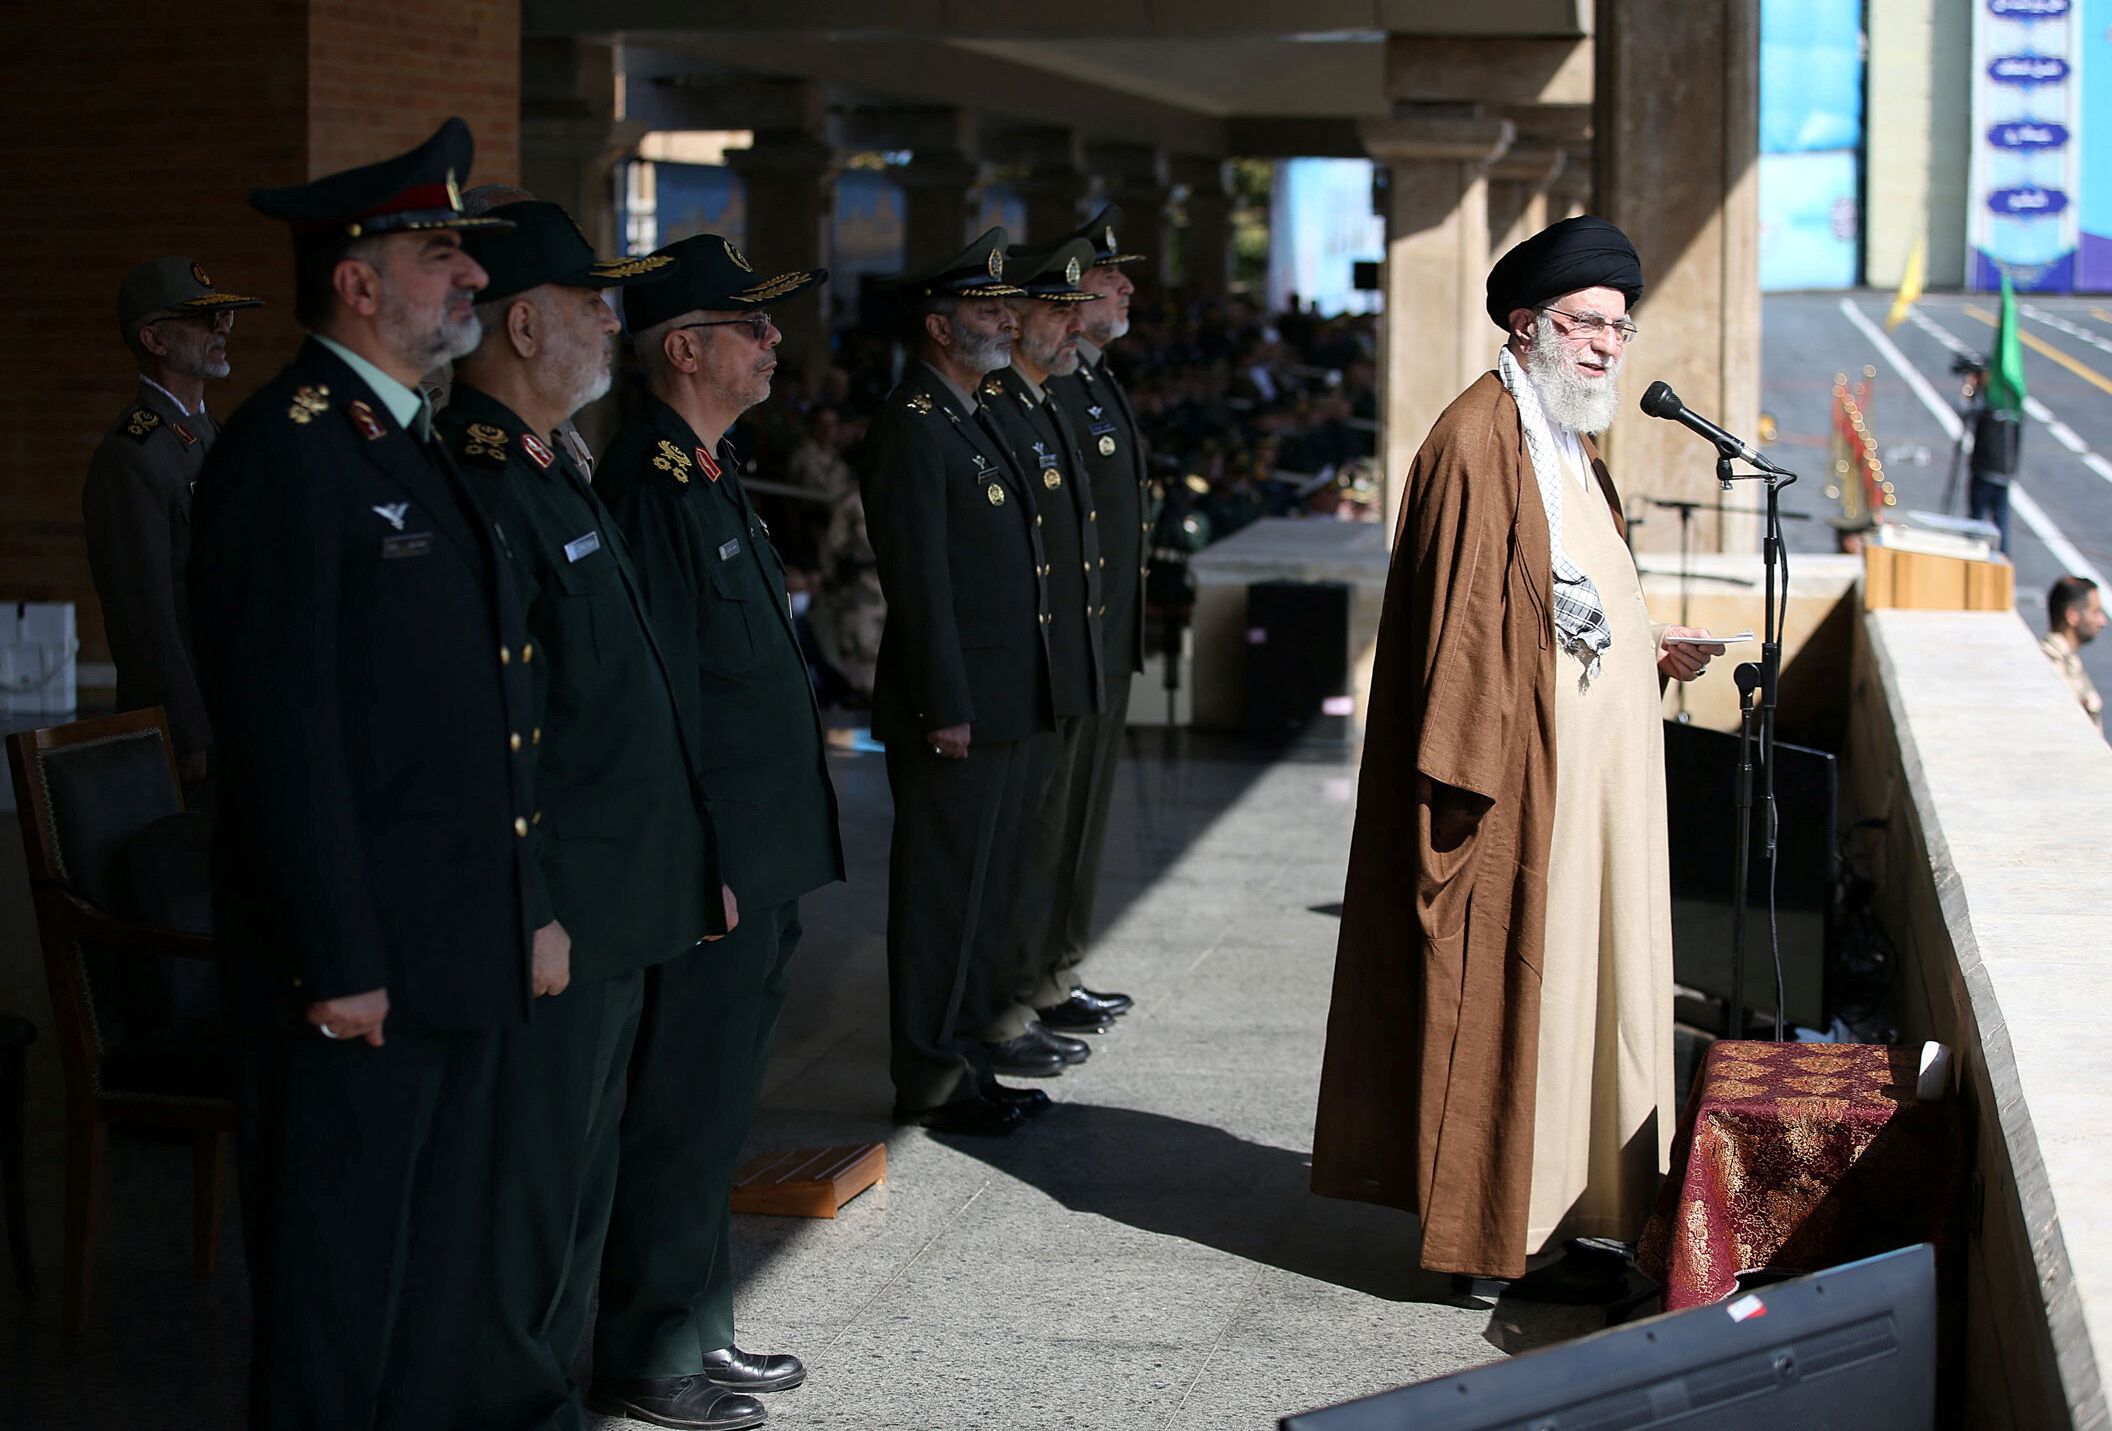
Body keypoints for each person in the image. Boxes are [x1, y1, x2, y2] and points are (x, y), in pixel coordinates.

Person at [187, 117, 533, 1427]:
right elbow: (287, 730)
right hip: (357, 965)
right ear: (357, 279)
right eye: (444, 251)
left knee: (433, 1279)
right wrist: (337, 956)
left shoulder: (406, 436)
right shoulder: (284, 450)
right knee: (338, 1289)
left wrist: (518, 904)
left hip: (448, 941)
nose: (471, 280)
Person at [1309, 215, 1722, 1293]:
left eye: (1619, 329)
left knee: (1593, 1004)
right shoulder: (1477, 441)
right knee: (1516, 1007)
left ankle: (1566, 1214)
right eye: (1585, 325)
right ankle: (1496, 1235)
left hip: (1592, 791)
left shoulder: (1565, 439)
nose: (1605, 348)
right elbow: (1460, 642)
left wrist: (1645, 638)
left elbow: (1562, 594)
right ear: (1527, 324)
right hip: (1520, 795)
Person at [429, 200, 754, 1431]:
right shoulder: (485, 474)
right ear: (522, 323)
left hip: (619, 890)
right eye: (590, 304)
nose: (613, 324)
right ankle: (510, 1403)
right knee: (531, 1183)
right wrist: (541, 903)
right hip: (558, 896)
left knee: (580, 1170)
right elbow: (499, 730)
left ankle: (546, 1385)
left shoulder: (549, 460)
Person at [591, 233, 845, 1429]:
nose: (773, 339)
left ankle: (703, 1324)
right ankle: (650, 1346)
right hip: (716, 858)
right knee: (680, 1108)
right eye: (751, 326)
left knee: (720, 1106)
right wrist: (700, 857)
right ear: (683, 349)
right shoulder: (648, 480)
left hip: (760, 845)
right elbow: (663, 695)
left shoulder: (702, 464)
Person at [858, 228, 1060, 1136]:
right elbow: (919, 576)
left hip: (1006, 698)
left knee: (984, 894)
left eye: (1006, 305)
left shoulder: (967, 411)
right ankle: (932, 1074)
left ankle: (968, 1056)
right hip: (958, 708)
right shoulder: (910, 422)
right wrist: (945, 703)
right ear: (937, 327)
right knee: (944, 898)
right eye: (986, 308)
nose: (1005, 318)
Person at [973, 237, 1109, 1077]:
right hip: (1012, 674)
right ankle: (1000, 1011)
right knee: (1009, 859)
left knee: (1050, 840)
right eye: (1052, 310)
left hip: (1061, 659)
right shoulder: (988, 407)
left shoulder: (1044, 396)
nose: (1070, 325)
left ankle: (1029, 990)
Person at [84, 257, 262, 806]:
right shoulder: (132, 455)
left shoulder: (207, 432)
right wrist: (188, 732)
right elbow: (145, 616)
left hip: (231, 709)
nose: (222, 328)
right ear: (154, 340)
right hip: (188, 734)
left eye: (224, 317)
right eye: (202, 320)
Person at [1037, 206, 1151, 1029]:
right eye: (1113, 279)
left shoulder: (1092, 377)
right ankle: (1031, 980)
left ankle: (1058, 966)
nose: (1128, 289)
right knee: (1048, 828)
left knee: (1080, 826)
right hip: (1070, 643)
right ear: (1075, 297)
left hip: (1104, 640)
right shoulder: (1048, 387)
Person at [1966, 361, 2022, 555]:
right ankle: (2003, 558)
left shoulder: (1985, 403)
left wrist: (1971, 390)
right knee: (2001, 521)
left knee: (1975, 522)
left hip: (1984, 471)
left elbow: (1964, 411)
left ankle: (1971, 554)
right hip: (2005, 471)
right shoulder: (2013, 404)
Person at [2042, 574, 2105, 732]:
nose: (2102, 621)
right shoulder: (2053, 667)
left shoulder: (2069, 661)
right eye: (2095, 612)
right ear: (2072, 616)